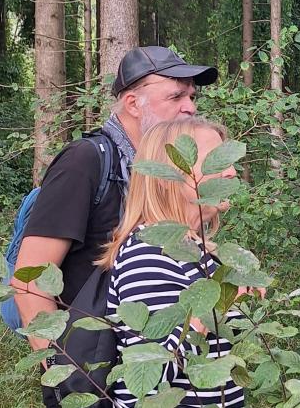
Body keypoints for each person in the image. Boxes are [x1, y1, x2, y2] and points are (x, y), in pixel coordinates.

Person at [11, 46, 218, 361]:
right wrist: (60, 375)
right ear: (133, 103)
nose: (190, 107)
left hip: (151, 366)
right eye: (176, 97)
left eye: (192, 97)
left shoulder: (164, 174)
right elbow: (30, 279)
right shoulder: (85, 161)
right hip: (91, 370)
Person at [98, 117, 243, 407]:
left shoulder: (195, 249)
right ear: (169, 175)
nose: (231, 172)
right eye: (216, 161)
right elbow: (149, 377)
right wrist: (217, 303)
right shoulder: (150, 253)